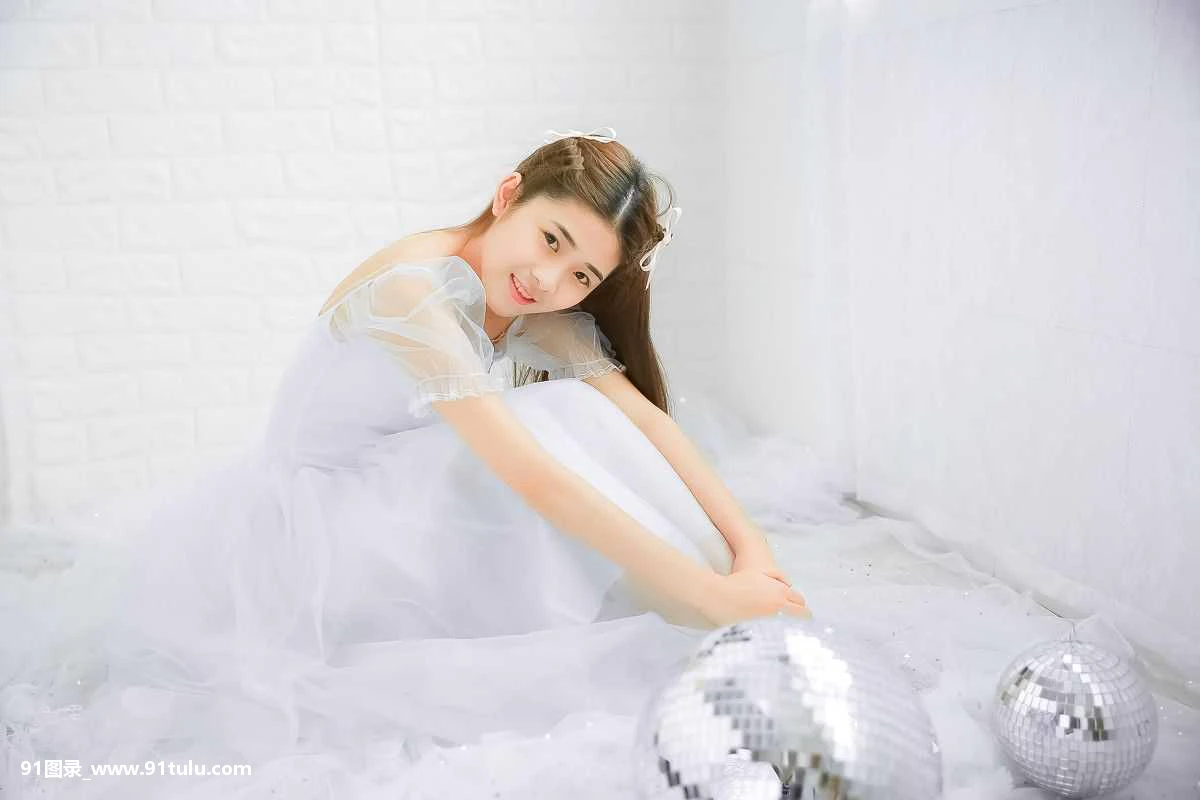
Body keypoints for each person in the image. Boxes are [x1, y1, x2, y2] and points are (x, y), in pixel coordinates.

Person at [0, 127, 810, 798]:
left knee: (585, 413)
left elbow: (646, 423)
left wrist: (753, 552)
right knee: (554, 425)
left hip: (398, 495)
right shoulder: (413, 290)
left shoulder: (530, 301)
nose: (548, 279)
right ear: (508, 196)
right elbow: (531, 477)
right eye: (550, 239)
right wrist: (710, 593)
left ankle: (726, 603)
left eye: (581, 275)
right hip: (323, 530)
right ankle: (706, 607)